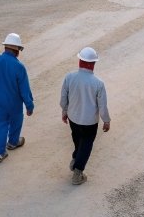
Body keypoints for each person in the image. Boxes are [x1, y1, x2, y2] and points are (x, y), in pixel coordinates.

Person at [60, 46, 111, 185]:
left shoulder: (69, 77)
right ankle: (77, 173)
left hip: (73, 118)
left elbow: (64, 98)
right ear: (93, 63)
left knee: (77, 140)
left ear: (80, 61)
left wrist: (64, 111)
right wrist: (106, 121)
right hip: (89, 122)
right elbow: (102, 106)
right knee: (86, 144)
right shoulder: (98, 83)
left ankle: (75, 159)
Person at [0, 32, 35, 163]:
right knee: (16, 121)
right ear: (17, 50)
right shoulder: (19, 67)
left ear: (5, 47)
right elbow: (25, 90)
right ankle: (13, 142)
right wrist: (29, 105)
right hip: (15, 103)